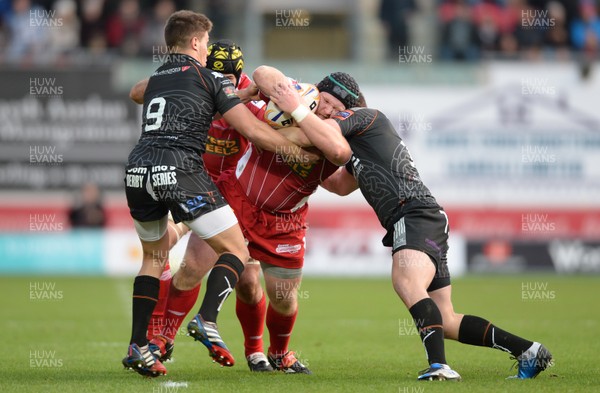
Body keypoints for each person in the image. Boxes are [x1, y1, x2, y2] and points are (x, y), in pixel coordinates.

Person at [267, 73, 553, 381]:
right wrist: (296, 160)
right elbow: (338, 185)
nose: (320, 109)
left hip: (412, 213)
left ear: (344, 105)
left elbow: (320, 133)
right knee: (446, 318)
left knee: (406, 281)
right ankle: (530, 351)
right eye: (318, 102)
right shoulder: (357, 144)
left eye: (325, 103)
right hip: (425, 216)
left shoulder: (363, 117)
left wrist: (294, 111)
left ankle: (440, 368)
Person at [131, 61, 362, 374]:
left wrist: (363, 175)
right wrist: (290, 97)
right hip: (236, 198)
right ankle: (163, 339)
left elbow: (336, 183)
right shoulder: (294, 98)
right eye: (325, 102)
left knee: (281, 298)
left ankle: (276, 353)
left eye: (335, 109)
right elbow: (264, 73)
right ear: (315, 93)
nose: (326, 111)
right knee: (193, 269)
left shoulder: (335, 139)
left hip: (284, 223)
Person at [121, 10, 315, 378]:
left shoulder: (161, 76)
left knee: (153, 257)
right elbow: (256, 133)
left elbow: (135, 92)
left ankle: (138, 347)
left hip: (137, 169)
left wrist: (226, 91)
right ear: (196, 42)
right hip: (180, 170)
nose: (207, 49)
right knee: (237, 249)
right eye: (206, 43)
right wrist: (297, 152)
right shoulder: (207, 76)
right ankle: (207, 320)